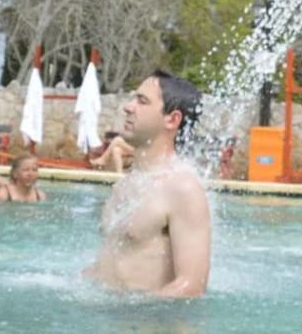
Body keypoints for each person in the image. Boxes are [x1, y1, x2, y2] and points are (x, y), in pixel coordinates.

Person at [87, 71, 210, 298]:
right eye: (133, 98)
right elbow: (109, 266)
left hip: (146, 317)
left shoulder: (182, 188)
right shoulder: (125, 185)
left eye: (142, 101)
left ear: (172, 119)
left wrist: (135, 312)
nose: (128, 107)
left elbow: (191, 286)